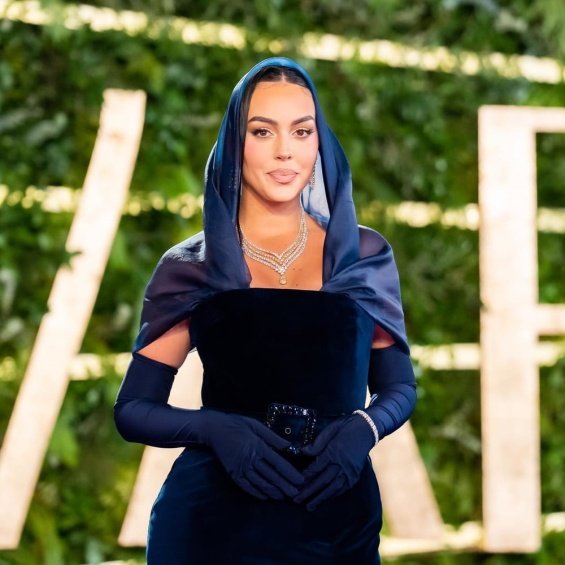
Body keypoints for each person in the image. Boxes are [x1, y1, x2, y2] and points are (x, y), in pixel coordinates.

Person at [114, 57, 417, 564]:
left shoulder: (361, 256)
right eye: (262, 131)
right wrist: (214, 428)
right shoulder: (193, 266)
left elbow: (399, 387)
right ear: (236, 142)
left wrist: (363, 430)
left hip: (337, 524)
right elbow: (133, 410)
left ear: (319, 142)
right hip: (211, 528)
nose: (285, 152)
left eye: (302, 131)